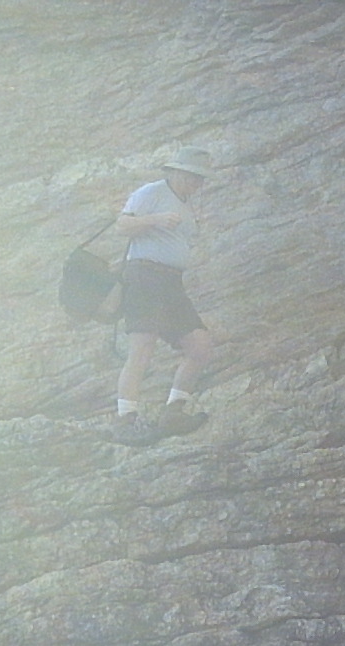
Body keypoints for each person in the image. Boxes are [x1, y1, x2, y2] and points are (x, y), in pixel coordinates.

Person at [109, 146, 215, 446]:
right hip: (145, 275)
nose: (197, 183)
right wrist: (155, 220)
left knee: (200, 346)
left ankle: (174, 412)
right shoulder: (151, 192)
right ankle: (125, 419)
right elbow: (122, 225)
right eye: (192, 176)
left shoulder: (185, 204)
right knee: (142, 345)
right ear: (175, 172)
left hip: (171, 282)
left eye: (200, 178)